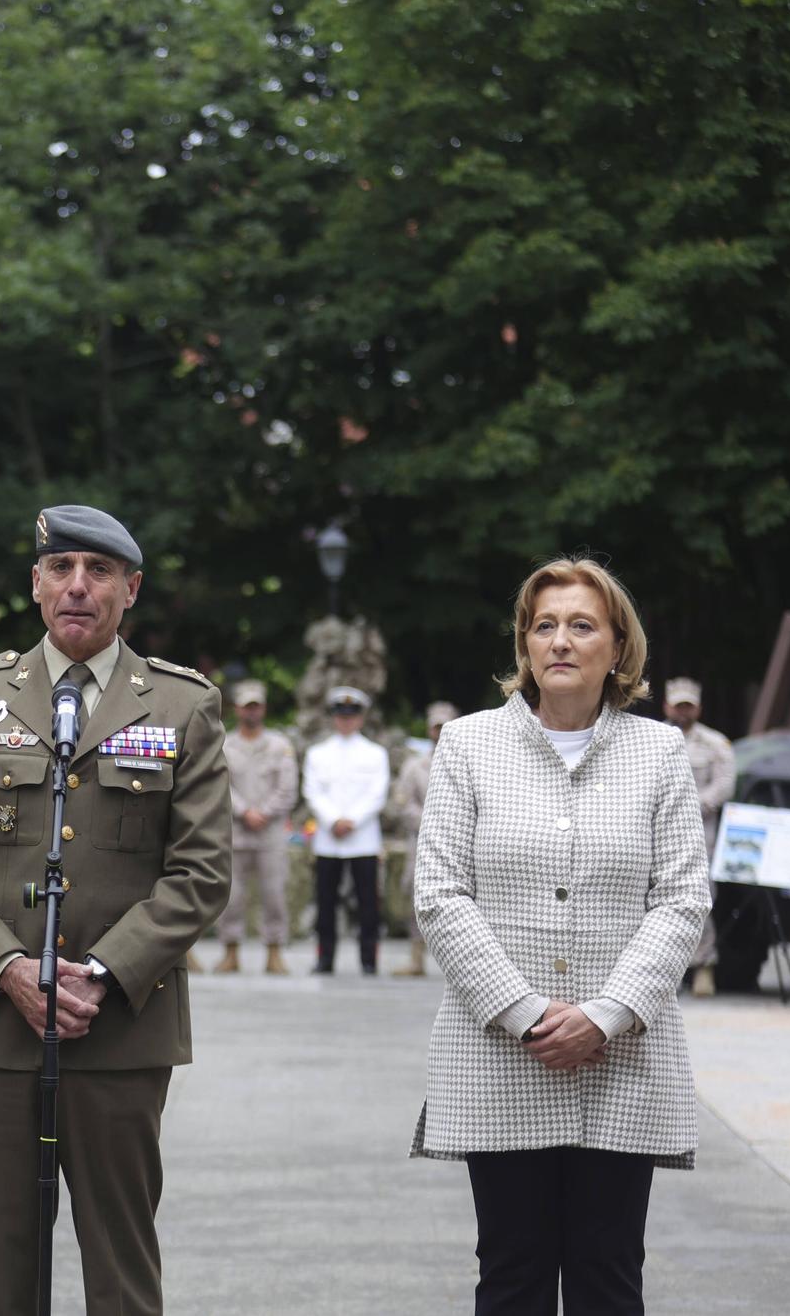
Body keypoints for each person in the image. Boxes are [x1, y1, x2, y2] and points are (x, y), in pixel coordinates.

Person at [0, 504, 231, 1316]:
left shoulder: (181, 706)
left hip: (123, 1025)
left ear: (131, 590)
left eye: (97, 572)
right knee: (3, 1271)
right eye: (61, 569)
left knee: (122, 1268)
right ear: (36, 585)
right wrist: (9, 968)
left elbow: (201, 870)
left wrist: (104, 974)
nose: (77, 587)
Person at [411, 556, 710, 1315]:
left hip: (625, 1056)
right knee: (510, 1273)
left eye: (582, 625)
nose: (561, 641)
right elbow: (441, 893)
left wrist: (606, 1014)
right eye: (544, 625)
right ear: (524, 645)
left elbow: (681, 898)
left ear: (618, 647)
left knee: (609, 1273)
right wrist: (527, 1013)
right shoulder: (469, 745)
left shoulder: (660, 751)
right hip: (500, 1054)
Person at [304, 685, 390, 974]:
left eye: (351, 715)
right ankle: (324, 957)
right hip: (329, 839)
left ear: (361, 718)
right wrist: (333, 820)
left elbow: (378, 793)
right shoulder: (318, 753)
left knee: (368, 904)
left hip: (362, 838)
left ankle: (369, 959)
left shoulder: (375, 753)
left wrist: (352, 819)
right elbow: (312, 792)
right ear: (333, 717)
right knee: (325, 903)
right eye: (341, 715)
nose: (346, 720)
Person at [215, 678, 297, 975]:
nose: (252, 712)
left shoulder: (279, 746)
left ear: (263, 708)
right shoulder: (224, 745)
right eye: (247, 706)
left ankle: (274, 951)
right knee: (231, 896)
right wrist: (244, 811)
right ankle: (230, 950)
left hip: (270, 834)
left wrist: (262, 812)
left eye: (257, 706)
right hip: (236, 832)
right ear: (237, 709)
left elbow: (287, 789)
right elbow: (219, 785)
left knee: (274, 894)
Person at [664, 677, 734, 997]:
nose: (683, 712)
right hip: (659, 832)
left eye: (688, 706)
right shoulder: (653, 739)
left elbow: (724, 785)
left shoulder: (715, 743)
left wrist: (693, 805)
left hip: (700, 834)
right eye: (678, 705)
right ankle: (667, 969)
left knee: (700, 898)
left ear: (698, 708)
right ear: (667, 706)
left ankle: (704, 964)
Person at [389, 701, 459, 978]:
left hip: (460, 841)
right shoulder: (414, 766)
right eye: (436, 727)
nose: (440, 732)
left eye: (445, 726)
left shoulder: (471, 760)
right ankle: (416, 957)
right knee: (417, 897)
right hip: (421, 840)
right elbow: (403, 803)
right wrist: (433, 824)